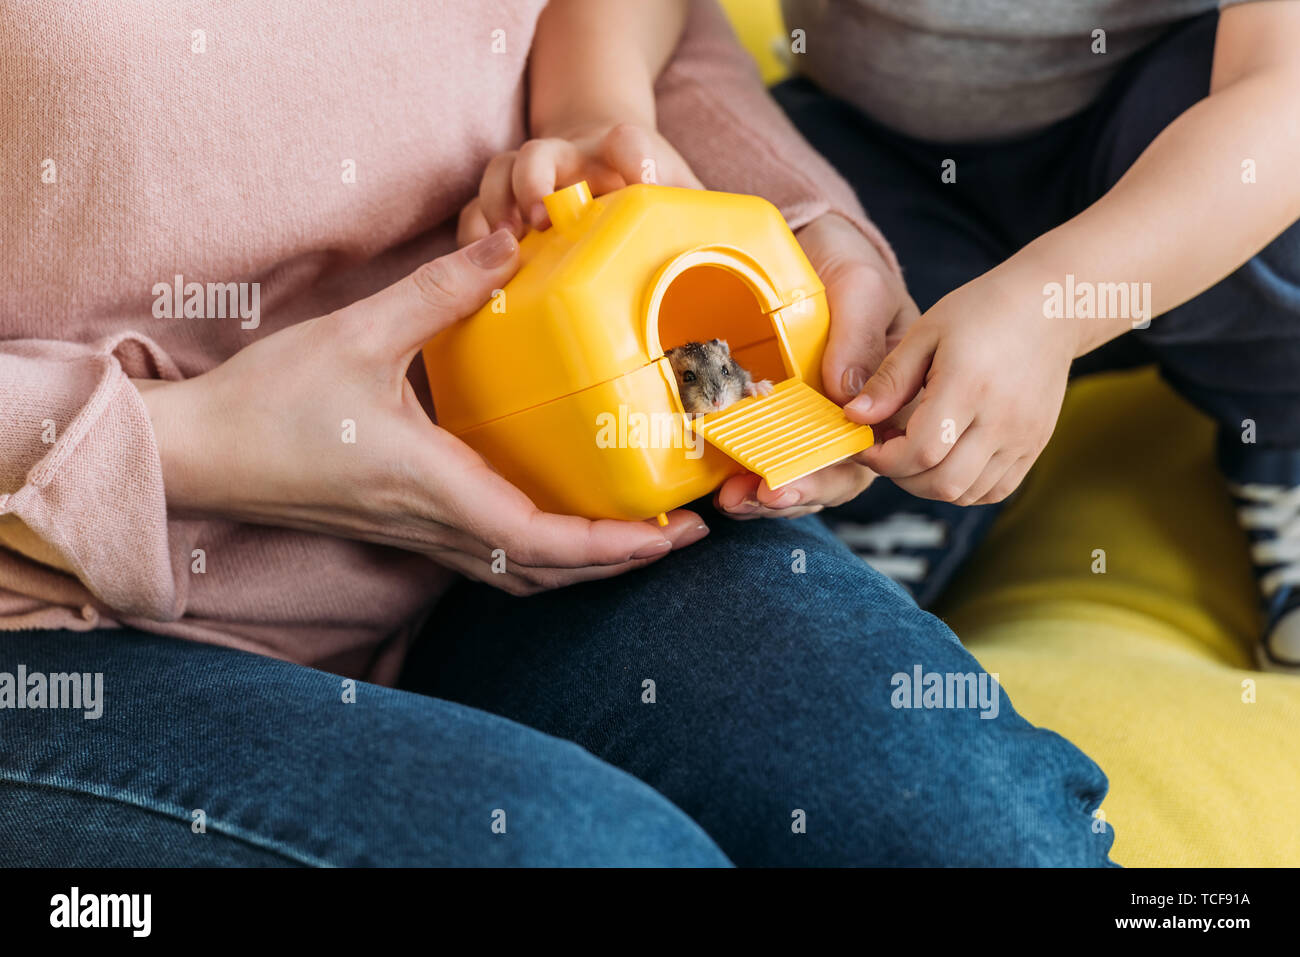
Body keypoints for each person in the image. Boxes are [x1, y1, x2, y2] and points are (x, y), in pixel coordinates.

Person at [0, 0, 1112, 866]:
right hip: (60, 637)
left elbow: (618, 35)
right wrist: (179, 442)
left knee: (960, 823)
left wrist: (790, 226)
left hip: (535, 508)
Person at [769, 0, 1300, 671]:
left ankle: (1283, 441)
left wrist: (1056, 305)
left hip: (1171, 157)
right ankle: (902, 482)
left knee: (1279, 208)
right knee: (790, 282)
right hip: (876, 155)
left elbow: (1286, 94)